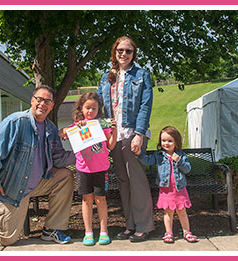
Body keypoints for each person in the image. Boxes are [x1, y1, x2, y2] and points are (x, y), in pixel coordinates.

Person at [0, 85, 76, 246]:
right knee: (6, 238)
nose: (43, 104)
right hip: (9, 189)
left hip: (34, 184)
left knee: (65, 176)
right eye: (39, 99)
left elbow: (59, 160)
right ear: (32, 100)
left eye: (47, 101)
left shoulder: (50, 129)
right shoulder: (15, 122)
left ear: (52, 106)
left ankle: (52, 229)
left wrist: (82, 151)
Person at [97, 36, 154, 242]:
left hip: (132, 134)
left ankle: (144, 225)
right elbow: (98, 106)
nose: (124, 54)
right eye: (120, 50)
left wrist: (139, 134)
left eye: (128, 51)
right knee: (123, 181)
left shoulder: (142, 75)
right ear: (114, 52)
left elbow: (145, 106)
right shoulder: (107, 77)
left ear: (133, 54)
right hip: (113, 136)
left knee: (136, 180)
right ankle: (130, 225)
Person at [59, 92, 117, 246]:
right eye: (87, 108)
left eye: (94, 108)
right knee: (86, 199)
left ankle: (104, 231)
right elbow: (63, 134)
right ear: (81, 108)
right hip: (83, 169)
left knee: (101, 199)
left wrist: (114, 130)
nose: (91, 111)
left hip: (101, 168)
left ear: (99, 109)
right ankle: (88, 232)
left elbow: (111, 145)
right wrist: (68, 129)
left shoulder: (102, 125)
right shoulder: (77, 125)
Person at [133, 126, 198, 243]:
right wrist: (139, 154)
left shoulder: (181, 156)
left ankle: (187, 232)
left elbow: (187, 169)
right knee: (168, 213)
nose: (166, 143)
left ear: (176, 142)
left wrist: (179, 161)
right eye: (163, 141)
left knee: (182, 212)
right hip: (166, 190)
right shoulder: (159, 156)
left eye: (169, 141)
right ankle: (169, 233)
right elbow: (148, 161)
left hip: (179, 190)